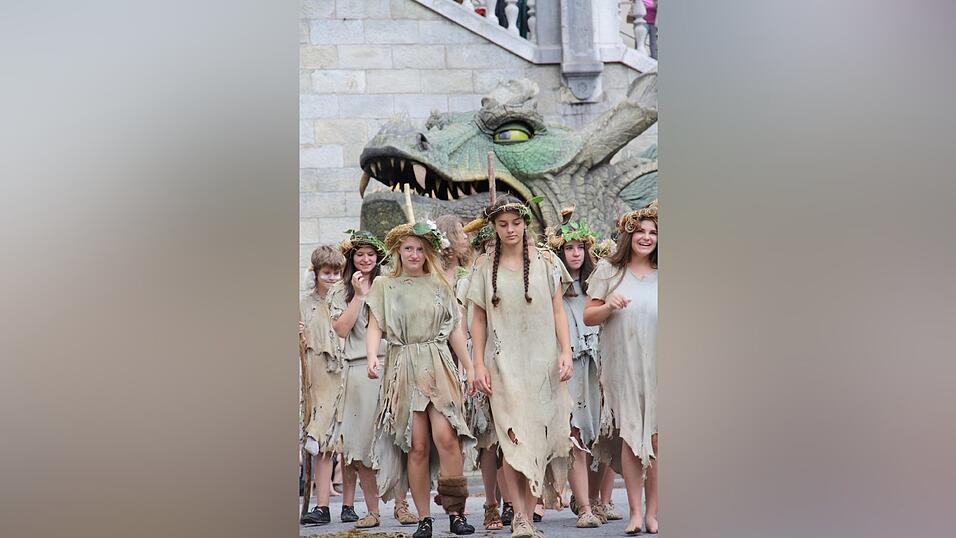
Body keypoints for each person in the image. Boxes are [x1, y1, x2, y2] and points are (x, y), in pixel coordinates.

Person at [467, 198, 574, 538]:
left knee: (536, 439)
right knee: (512, 441)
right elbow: (478, 318)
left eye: (515, 223)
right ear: (494, 228)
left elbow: (559, 311)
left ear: (524, 222)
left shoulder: (545, 262)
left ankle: (529, 510)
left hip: (542, 363)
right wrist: (477, 364)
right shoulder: (485, 266)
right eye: (503, 224)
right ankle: (521, 518)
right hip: (503, 366)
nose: (510, 230)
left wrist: (566, 352)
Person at [365, 220, 477, 538]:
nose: (414, 254)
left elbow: (455, 328)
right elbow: (375, 324)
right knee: (416, 446)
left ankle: (456, 512)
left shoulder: (439, 284)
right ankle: (424, 518)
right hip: (403, 365)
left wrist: (468, 366)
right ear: (399, 251)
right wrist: (373, 355)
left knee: (448, 439)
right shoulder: (384, 285)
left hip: (437, 363)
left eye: (419, 248)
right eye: (408, 248)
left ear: (428, 251)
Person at [326, 230, 416, 528]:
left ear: (378, 257)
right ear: (351, 258)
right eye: (359, 254)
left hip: (391, 364)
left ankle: (402, 505)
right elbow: (340, 329)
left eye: (370, 254)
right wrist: (359, 297)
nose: (365, 259)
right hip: (357, 369)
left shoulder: (389, 284)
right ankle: (372, 510)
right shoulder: (340, 290)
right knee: (361, 442)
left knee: (397, 438)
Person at [583, 201, 659, 535]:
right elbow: (588, 315)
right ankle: (634, 512)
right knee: (630, 436)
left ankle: (654, 512)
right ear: (629, 235)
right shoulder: (609, 272)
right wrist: (609, 306)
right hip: (623, 366)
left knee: (657, 439)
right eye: (641, 231)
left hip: (660, 365)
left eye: (654, 232)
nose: (647, 237)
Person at [545, 210, 604, 529]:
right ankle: (584, 507)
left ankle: (594, 500)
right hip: (568, 369)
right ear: (559, 253)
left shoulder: (597, 286)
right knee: (576, 436)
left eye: (580, 247)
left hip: (596, 368)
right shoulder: (553, 288)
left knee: (596, 436)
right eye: (569, 248)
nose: (575, 253)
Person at [298, 245, 346, 526]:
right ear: (315, 273)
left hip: (345, 371)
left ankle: (351, 505)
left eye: (336, 273)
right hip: (318, 374)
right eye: (326, 273)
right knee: (323, 438)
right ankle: (322, 505)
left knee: (347, 441)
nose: (331, 278)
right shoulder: (303, 301)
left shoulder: (344, 299)